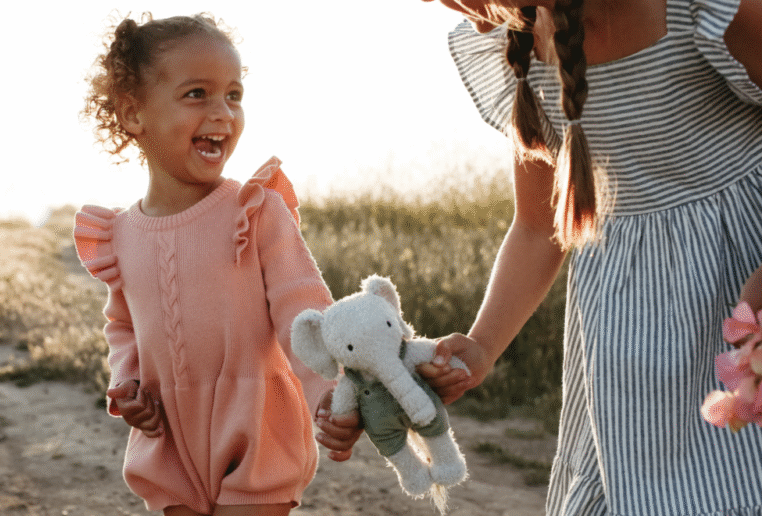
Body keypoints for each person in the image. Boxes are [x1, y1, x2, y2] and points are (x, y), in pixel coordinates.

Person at [403, 0, 762, 514]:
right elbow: (538, 227)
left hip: (744, 310)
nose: (455, 8)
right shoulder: (525, 47)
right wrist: (482, 345)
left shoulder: (699, 11)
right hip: (627, 341)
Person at [73, 13, 360, 516]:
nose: (223, 113)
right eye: (197, 94)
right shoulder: (121, 234)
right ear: (134, 113)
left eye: (233, 95)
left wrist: (328, 391)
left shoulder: (255, 211)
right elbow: (123, 325)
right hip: (168, 439)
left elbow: (302, 310)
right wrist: (129, 383)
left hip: (256, 430)